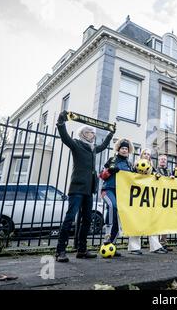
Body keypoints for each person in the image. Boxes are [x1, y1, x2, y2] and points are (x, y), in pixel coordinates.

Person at [55, 110, 115, 262]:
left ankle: (82, 249)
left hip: (89, 190)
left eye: (93, 133)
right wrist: (61, 123)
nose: (93, 134)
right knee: (69, 218)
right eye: (90, 132)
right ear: (83, 134)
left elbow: (103, 145)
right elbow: (65, 137)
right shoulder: (76, 144)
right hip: (77, 188)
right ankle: (60, 251)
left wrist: (111, 134)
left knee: (87, 220)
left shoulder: (93, 148)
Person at [128, 148, 168, 254]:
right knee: (136, 222)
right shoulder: (135, 166)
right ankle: (134, 247)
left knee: (152, 221)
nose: (146, 155)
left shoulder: (152, 167)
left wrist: (158, 176)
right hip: (137, 197)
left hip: (149, 198)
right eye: (144, 153)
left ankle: (155, 246)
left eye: (148, 154)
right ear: (141, 155)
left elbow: (157, 177)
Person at [99, 138, 134, 257]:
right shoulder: (112, 160)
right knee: (111, 206)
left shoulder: (129, 164)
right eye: (122, 148)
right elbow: (102, 175)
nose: (124, 150)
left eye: (126, 149)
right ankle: (107, 236)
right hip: (108, 190)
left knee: (118, 218)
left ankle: (112, 245)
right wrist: (109, 170)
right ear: (118, 149)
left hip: (121, 193)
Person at [155, 154, 173, 251]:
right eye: (161, 159)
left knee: (166, 221)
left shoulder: (169, 171)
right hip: (158, 198)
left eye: (164, 160)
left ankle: (163, 242)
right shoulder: (155, 170)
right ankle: (157, 243)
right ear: (158, 161)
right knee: (158, 221)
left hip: (167, 199)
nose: (163, 161)